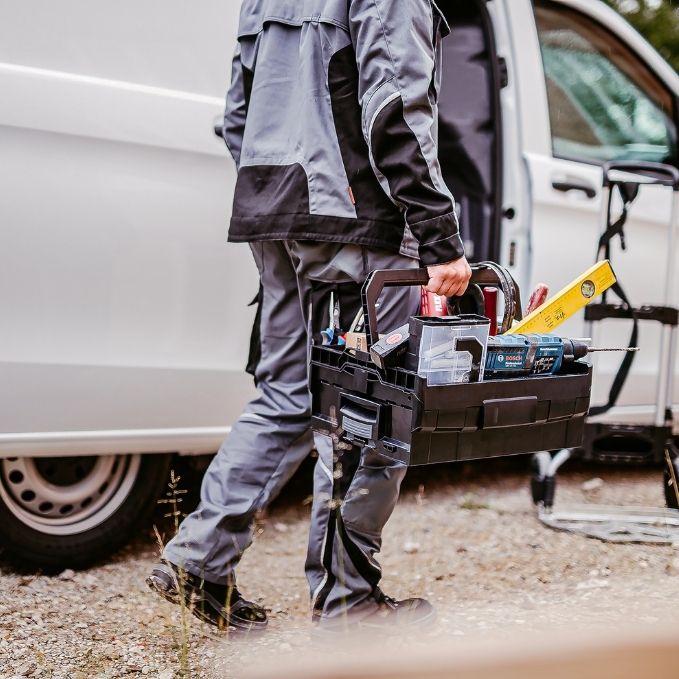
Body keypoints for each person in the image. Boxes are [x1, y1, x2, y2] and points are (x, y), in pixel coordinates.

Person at [147, 0, 471, 633]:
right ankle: (348, 602)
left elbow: (236, 117)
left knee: (288, 393)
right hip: (360, 221)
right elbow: (394, 107)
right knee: (371, 412)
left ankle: (200, 561)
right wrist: (440, 237)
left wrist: (279, 198)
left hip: (275, 206)